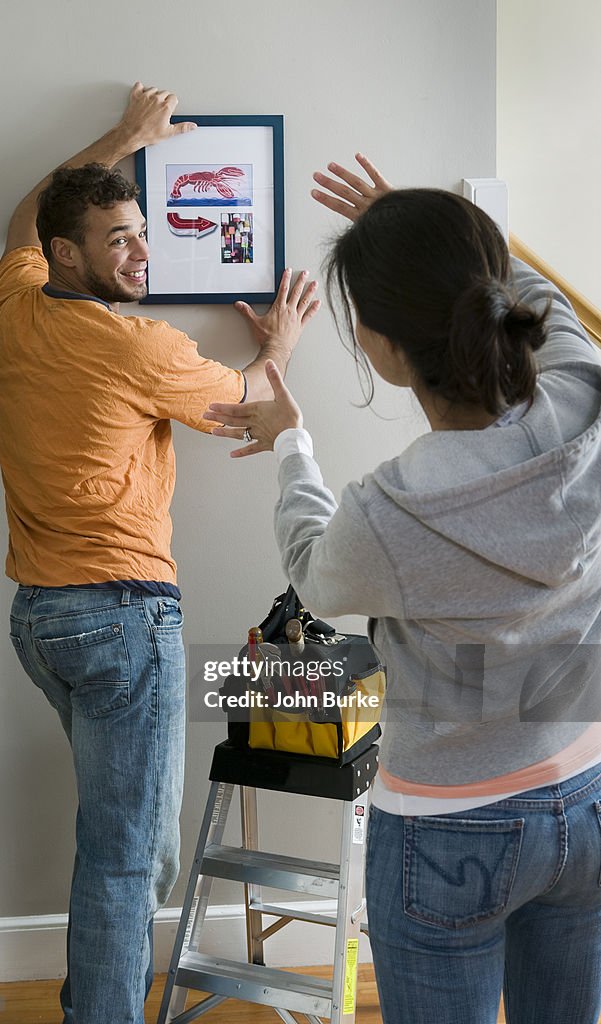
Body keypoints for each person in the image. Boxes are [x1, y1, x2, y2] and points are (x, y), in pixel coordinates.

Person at [205, 156, 601, 1023]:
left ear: (383, 351)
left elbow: (313, 568)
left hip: (449, 825)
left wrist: (290, 443)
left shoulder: (390, 512)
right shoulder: (580, 397)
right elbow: (557, 310)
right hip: (584, 788)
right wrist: (439, 238)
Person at [0, 82, 318, 1024]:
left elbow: (19, 213)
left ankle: (93, 996)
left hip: (41, 622)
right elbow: (249, 398)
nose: (142, 252)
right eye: (119, 239)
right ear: (66, 254)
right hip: (122, 619)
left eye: (142, 229)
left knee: (118, 839)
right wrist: (285, 338)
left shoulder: (12, 304)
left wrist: (126, 139)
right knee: (131, 853)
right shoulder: (135, 346)